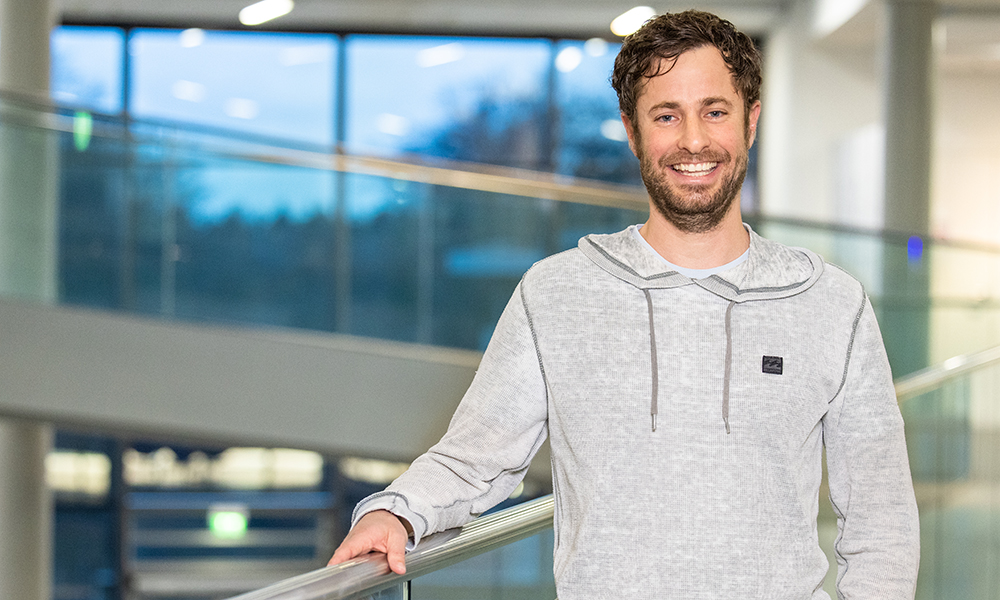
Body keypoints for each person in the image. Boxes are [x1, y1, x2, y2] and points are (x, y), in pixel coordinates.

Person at [330, 10, 920, 599]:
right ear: (633, 132)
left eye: (715, 111)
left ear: (751, 121)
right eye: (667, 116)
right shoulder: (555, 294)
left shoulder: (831, 303)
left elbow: (881, 517)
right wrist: (396, 514)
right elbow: (473, 460)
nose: (694, 140)